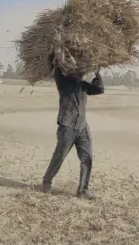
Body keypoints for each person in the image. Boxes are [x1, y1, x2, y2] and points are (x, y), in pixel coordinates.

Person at [42, 64, 104, 200]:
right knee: (60, 156)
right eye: (77, 71)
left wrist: (97, 74)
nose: (80, 74)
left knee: (87, 158)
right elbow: (57, 67)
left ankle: (83, 190)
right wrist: (60, 56)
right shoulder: (63, 82)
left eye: (81, 72)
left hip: (82, 126)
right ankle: (47, 181)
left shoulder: (83, 85)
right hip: (67, 125)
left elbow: (99, 89)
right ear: (70, 71)